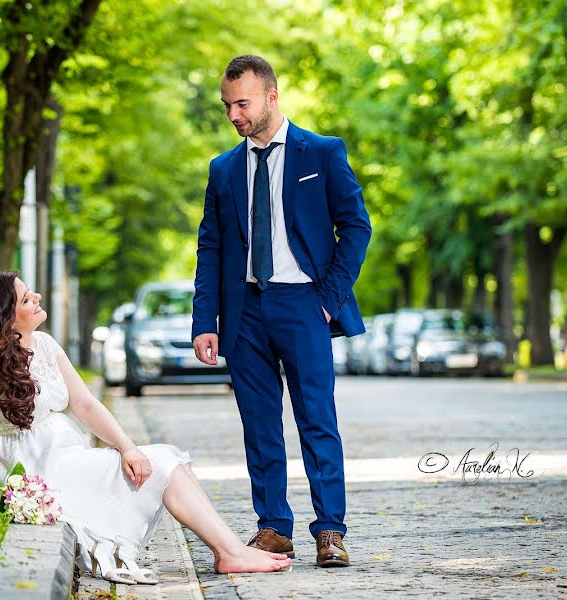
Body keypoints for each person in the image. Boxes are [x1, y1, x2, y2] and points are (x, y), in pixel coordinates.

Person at [0, 272, 291, 584]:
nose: (35, 297)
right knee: (165, 464)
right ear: (5, 317)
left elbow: (85, 404)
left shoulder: (46, 346)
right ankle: (231, 552)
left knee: (165, 463)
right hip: (37, 473)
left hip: (68, 459)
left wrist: (127, 447)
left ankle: (230, 550)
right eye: (24, 298)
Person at [191, 55, 371, 568]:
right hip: (243, 310)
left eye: (242, 103)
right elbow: (210, 247)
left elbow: (356, 227)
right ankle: (273, 527)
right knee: (259, 423)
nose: (233, 115)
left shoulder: (323, 152)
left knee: (317, 418)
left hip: (303, 304)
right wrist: (206, 320)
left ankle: (330, 531)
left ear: (272, 96)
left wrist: (327, 299)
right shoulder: (223, 168)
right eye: (227, 105)